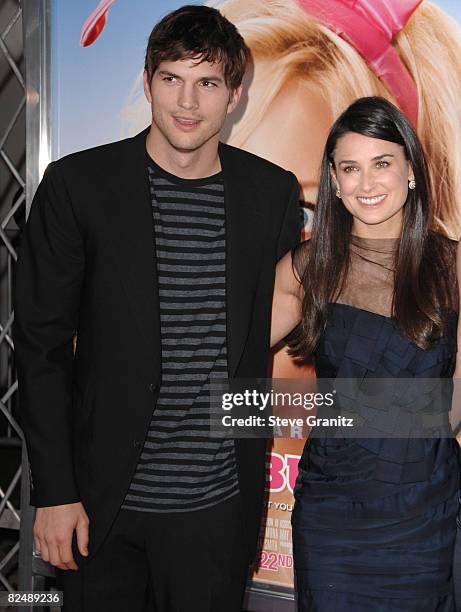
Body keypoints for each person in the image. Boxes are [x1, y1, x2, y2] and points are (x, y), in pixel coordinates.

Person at [13, 5, 300, 611]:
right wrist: (55, 492)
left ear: (235, 95)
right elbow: (40, 349)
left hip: (217, 510)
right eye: (171, 78)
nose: (188, 102)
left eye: (208, 83)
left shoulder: (271, 194)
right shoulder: (77, 186)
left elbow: (273, 317)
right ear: (146, 82)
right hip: (100, 507)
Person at [271, 96, 461, 610]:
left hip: (422, 510)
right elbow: (225, 343)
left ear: (411, 171)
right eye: (350, 169)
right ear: (334, 181)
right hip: (333, 517)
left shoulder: (452, 268)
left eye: (382, 164)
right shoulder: (308, 269)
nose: (367, 184)